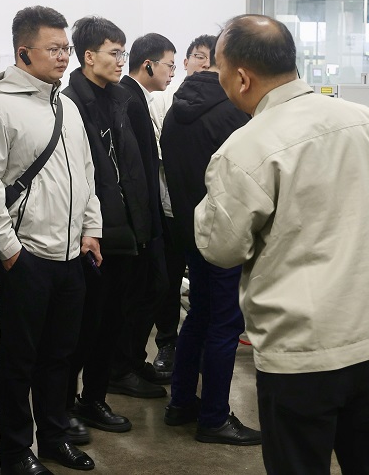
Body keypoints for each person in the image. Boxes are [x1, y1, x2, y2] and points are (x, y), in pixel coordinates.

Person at [196, 14, 369, 475]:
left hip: (299, 354)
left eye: (219, 70)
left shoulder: (245, 149)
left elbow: (222, 248)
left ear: (241, 78)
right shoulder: (360, 119)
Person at [0, 5, 101, 475]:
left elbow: (85, 173)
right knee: (18, 360)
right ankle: (14, 451)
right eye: (54, 49)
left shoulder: (67, 106)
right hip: (27, 257)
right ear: (24, 52)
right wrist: (8, 250)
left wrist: (91, 228)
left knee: (60, 356)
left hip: (71, 256)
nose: (65, 57)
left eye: (66, 48)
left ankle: (54, 437)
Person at [159, 34, 259, 445]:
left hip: (189, 230)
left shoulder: (176, 109)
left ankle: (181, 402)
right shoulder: (233, 115)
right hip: (225, 233)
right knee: (224, 324)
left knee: (199, 316)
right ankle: (215, 418)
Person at [62, 16, 152, 433]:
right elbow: (81, 176)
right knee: (82, 328)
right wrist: (90, 228)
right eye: (114, 53)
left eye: (123, 53)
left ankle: (93, 400)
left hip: (124, 231)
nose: (121, 61)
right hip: (91, 235)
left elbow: (132, 168)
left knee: (111, 323)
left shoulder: (121, 100)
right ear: (88, 56)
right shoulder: (69, 103)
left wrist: (142, 226)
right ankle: (63, 407)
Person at [148, 34, 215, 376]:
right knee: (168, 281)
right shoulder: (163, 101)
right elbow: (161, 155)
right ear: (186, 62)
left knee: (205, 285)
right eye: (198, 56)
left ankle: (198, 346)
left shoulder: (223, 105)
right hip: (170, 208)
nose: (204, 63)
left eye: (210, 58)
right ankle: (167, 343)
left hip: (208, 212)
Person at [114, 32, 176, 391]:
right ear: (148, 64)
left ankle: (134, 362)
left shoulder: (138, 98)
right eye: (169, 65)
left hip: (146, 217)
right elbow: (132, 171)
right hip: (137, 221)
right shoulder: (129, 99)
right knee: (139, 294)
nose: (173, 72)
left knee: (150, 289)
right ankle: (123, 369)